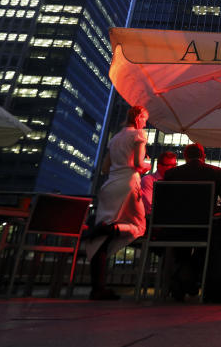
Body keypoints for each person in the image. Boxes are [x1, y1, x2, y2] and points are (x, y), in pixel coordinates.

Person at [83, 105, 150, 300]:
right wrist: (147, 164)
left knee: (99, 243)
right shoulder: (138, 135)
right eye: (144, 119)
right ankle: (110, 228)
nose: (145, 123)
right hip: (128, 185)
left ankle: (97, 288)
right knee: (140, 226)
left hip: (109, 186)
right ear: (138, 118)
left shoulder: (115, 138)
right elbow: (138, 164)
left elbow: (104, 168)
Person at [159, 143, 221, 300]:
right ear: (203, 156)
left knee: (181, 245)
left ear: (185, 157)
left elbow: (163, 202)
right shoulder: (215, 172)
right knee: (214, 242)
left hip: (174, 230)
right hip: (204, 229)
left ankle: (183, 276)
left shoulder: (171, 174)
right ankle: (190, 277)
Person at [140, 151, 177, 216]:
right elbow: (149, 207)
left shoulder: (175, 180)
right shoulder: (148, 180)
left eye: (174, 165)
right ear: (159, 166)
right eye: (169, 165)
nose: (174, 168)